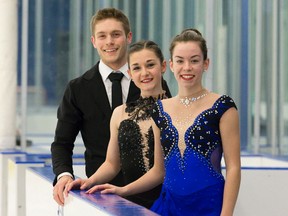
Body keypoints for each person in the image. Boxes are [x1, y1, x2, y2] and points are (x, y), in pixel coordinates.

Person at [87, 28, 241, 216]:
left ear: (205, 63)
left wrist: (226, 214)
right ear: (171, 65)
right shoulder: (160, 110)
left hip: (208, 205)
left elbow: (233, 168)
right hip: (168, 207)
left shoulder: (222, 106)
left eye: (194, 60)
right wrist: (123, 190)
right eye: (180, 61)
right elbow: (158, 171)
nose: (187, 68)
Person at [51, 8, 171, 206]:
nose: (109, 42)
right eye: (102, 36)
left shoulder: (152, 81)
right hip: (101, 194)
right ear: (93, 41)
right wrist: (65, 175)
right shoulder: (77, 88)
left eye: (116, 34)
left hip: (155, 193)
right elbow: (62, 143)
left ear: (128, 37)